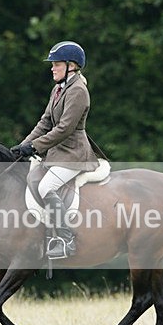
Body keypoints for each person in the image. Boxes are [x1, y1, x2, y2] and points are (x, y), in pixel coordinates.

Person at [11, 40, 100, 259]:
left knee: (46, 187)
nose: (52, 68)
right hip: (57, 153)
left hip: (74, 154)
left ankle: (65, 238)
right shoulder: (58, 89)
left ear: (71, 65)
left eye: (56, 64)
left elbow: (64, 129)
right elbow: (45, 122)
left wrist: (34, 146)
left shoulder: (78, 91)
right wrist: (22, 146)